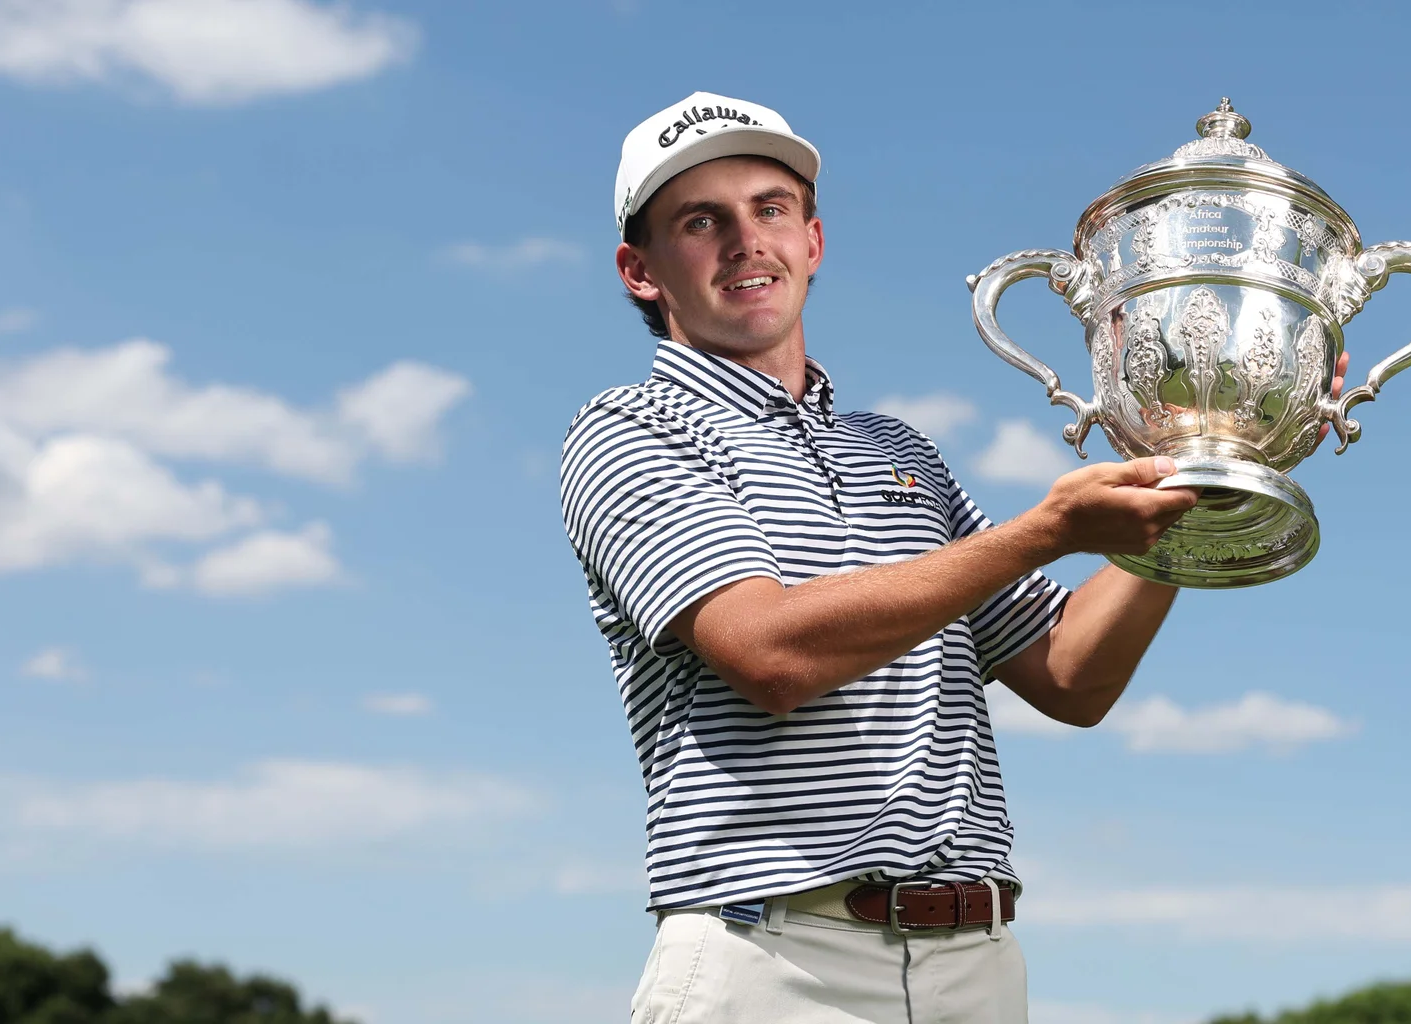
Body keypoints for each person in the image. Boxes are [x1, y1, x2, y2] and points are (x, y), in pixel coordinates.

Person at [559, 91, 1345, 1024]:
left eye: (770, 208)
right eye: (701, 221)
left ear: (813, 241)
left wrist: (1194, 469)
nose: (745, 241)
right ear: (639, 270)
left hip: (974, 960)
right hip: (774, 959)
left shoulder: (901, 453)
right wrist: (1046, 532)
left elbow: (1070, 677)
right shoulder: (628, 429)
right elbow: (771, 657)